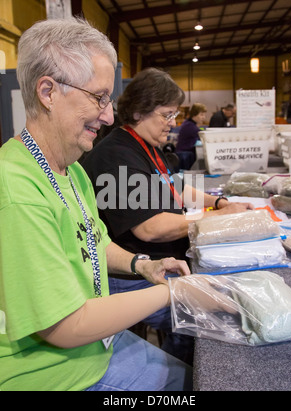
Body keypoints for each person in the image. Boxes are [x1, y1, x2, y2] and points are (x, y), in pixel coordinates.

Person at [0, 17, 200, 392]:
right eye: (99, 98)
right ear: (48, 91)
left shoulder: (72, 170)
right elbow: (65, 325)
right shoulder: (16, 188)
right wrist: (174, 291)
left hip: (96, 346)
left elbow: (93, 240)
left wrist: (143, 265)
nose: (109, 115)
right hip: (57, 374)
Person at [82, 68, 254, 364]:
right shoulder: (116, 155)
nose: (172, 124)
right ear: (138, 112)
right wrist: (217, 221)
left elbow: (177, 188)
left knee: (231, 295)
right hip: (132, 273)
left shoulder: (147, 146)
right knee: (215, 316)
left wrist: (220, 202)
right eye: (166, 115)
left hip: (166, 262)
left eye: (174, 115)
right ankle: (178, 375)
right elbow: (150, 229)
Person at [175, 103, 207, 169]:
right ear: (194, 115)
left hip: (184, 154)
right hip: (184, 156)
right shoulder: (190, 126)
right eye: (201, 115)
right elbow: (203, 137)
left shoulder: (188, 123)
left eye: (204, 115)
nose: (204, 117)